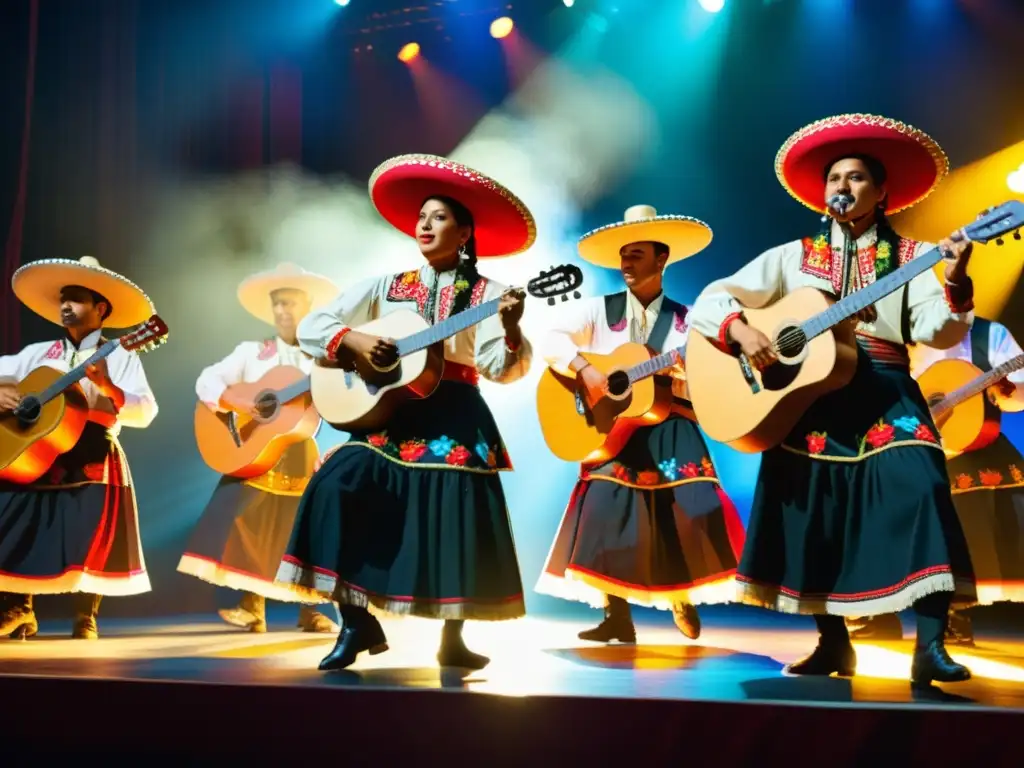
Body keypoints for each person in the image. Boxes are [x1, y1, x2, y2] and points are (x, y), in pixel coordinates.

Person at [687, 113, 978, 688]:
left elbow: (937, 329)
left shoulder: (914, 254)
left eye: (857, 178)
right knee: (810, 509)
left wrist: (957, 280)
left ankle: (930, 644)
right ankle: (833, 643)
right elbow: (708, 301)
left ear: (883, 191)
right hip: (811, 400)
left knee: (924, 491)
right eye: (835, 178)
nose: (843, 187)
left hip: (886, 390)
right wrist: (743, 332)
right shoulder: (792, 257)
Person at [275, 154, 535, 671]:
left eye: (439, 217)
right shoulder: (385, 287)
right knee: (334, 485)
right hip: (389, 414)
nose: (425, 224)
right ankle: (354, 622)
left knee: (457, 505)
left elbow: (500, 368)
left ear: (464, 234)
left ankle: (452, 637)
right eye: (422, 216)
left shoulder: (487, 294)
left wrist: (509, 329)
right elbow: (313, 326)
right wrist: (354, 340)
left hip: (456, 411)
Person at [536, 205, 745, 643]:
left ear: (661, 258)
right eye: (623, 255)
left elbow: (712, 375)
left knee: (687, 509)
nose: (626, 263)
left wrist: (685, 370)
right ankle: (617, 617)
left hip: (672, 423)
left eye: (636, 253)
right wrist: (587, 370)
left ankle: (679, 594)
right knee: (607, 511)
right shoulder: (598, 309)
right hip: (614, 428)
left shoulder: (689, 320)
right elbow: (550, 339)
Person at [0, 256, 158, 639]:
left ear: (101, 308)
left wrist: (109, 388)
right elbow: (6, 372)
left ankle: (85, 615)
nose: (66, 306)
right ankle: (19, 608)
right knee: (18, 523)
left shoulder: (121, 354)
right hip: (39, 449)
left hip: (91, 449)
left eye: (77, 299)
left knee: (87, 530)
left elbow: (146, 411)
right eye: (63, 299)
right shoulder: (37, 353)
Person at [178, 263, 340, 634]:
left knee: (302, 530)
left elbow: (340, 406)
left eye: (291, 303)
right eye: (277, 304)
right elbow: (208, 380)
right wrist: (236, 399)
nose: (283, 311)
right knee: (244, 523)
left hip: (300, 450)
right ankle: (253, 606)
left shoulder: (324, 359)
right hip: (254, 448)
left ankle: (310, 610)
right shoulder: (252, 352)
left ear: (309, 306)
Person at [848, 317, 1024, 645]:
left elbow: (1018, 393)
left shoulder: (989, 334)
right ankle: (881, 612)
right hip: (908, 438)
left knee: (961, 506)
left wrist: (1006, 392)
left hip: (970, 442)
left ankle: (954, 614)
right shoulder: (901, 333)